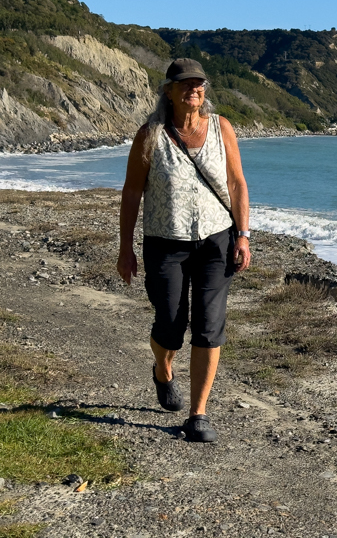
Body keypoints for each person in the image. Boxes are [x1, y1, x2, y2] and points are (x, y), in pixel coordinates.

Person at [117, 58, 251, 443]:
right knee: (170, 325)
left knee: (209, 326)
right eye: (185, 84)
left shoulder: (221, 127)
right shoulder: (150, 135)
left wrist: (242, 235)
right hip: (164, 242)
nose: (194, 89)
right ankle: (162, 369)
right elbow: (131, 193)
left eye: (200, 84)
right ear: (169, 92)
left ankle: (198, 414)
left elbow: (238, 184)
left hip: (216, 240)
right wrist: (126, 249)